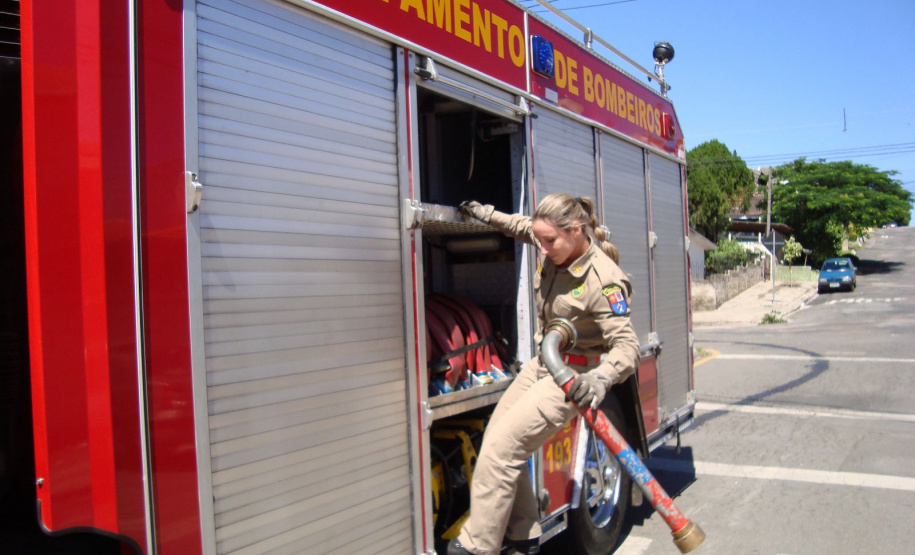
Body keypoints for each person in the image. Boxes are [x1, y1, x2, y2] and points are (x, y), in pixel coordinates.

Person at [447, 193, 640, 555]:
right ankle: (523, 534)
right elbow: (522, 227)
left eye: (550, 241)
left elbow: (627, 346)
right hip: (543, 364)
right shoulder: (550, 241)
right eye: (541, 240)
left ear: (576, 230)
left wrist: (600, 379)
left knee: (503, 450)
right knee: (496, 438)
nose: (544, 248)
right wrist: (486, 213)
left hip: (573, 375)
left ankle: (478, 547)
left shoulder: (604, 280)